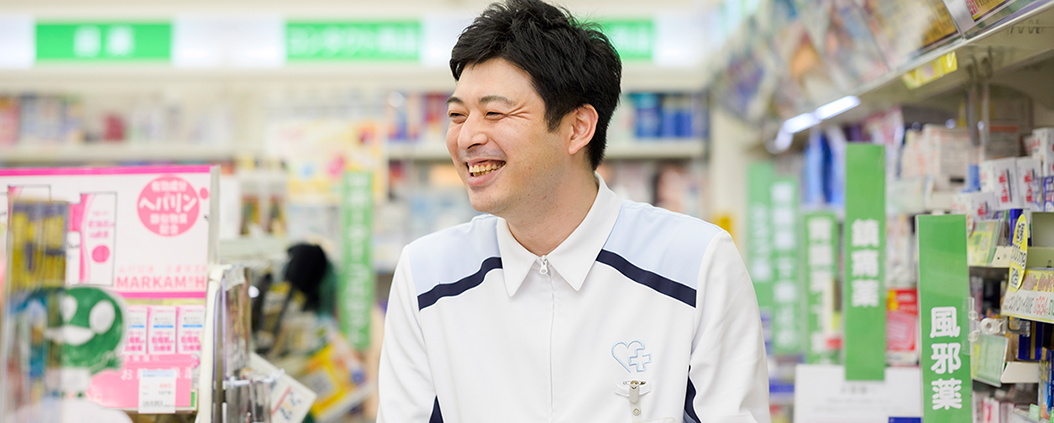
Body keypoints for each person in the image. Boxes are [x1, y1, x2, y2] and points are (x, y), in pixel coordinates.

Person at [377, 0, 770, 422]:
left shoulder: (695, 264)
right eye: (457, 115)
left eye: (494, 112)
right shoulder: (428, 275)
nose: (466, 136)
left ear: (578, 127)